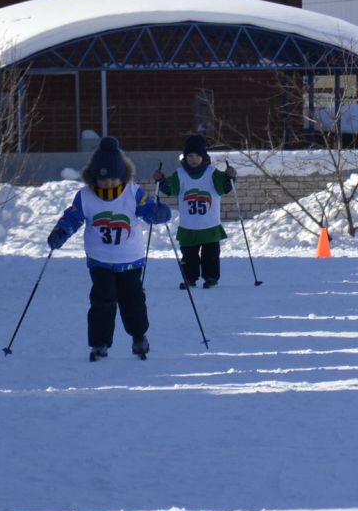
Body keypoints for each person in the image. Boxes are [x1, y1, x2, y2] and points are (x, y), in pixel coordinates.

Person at [46, 136, 173, 360]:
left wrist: (158, 213)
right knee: (102, 300)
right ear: (94, 177)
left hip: (130, 259)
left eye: (113, 179)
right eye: (102, 179)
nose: (108, 183)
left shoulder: (133, 192)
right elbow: (73, 217)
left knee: (132, 299)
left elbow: (148, 210)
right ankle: (99, 343)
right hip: (100, 260)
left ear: (121, 176)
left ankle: (138, 336)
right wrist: (61, 232)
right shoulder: (85, 196)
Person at [156, 134, 235, 289]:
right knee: (189, 256)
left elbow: (225, 187)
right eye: (190, 155)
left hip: (210, 226)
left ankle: (211, 278)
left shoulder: (212, 173)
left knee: (210, 256)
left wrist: (230, 177)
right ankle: (189, 278)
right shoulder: (180, 174)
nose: (194, 159)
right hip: (188, 227)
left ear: (203, 156)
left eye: (198, 155)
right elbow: (170, 189)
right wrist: (162, 180)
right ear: (185, 157)